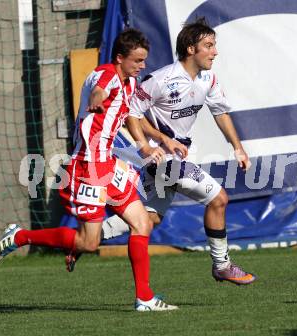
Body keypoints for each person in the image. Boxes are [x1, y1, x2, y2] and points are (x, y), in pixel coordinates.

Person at [0, 28, 178, 312]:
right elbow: (101, 88)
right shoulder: (107, 75)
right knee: (88, 243)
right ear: (119, 58)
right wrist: (97, 98)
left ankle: (145, 298)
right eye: (137, 61)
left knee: (142, 222)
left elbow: (126, 118)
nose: (142, 66)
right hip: (88, 166)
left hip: (108, 164)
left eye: (144, 60)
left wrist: (145, 146)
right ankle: (19, 237)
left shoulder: (128, 83)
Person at [73, 18, 256, 285]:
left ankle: (83, 241)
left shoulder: (208, 79)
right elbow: (131, 112)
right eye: (208, 45)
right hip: (162, 160)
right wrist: (149, 144)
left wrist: (238, 148)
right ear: (191, 49)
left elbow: (221, 113)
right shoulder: (160, 80)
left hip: (176, 155)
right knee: (219, 199)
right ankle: (222, 265)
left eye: (214, 45)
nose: (214, 51)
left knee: (149, 219)